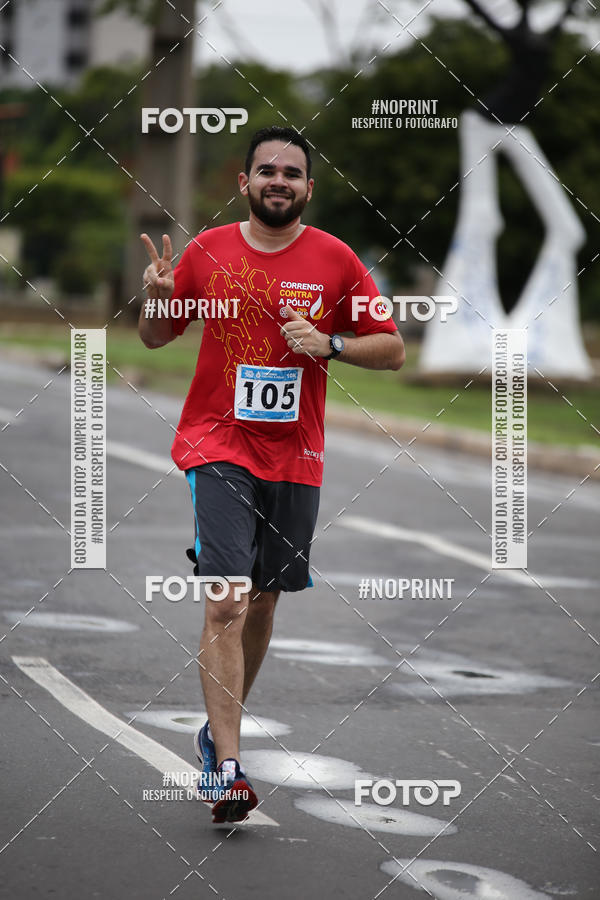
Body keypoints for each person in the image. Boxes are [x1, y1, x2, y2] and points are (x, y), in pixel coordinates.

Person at [138, 125, 405, 823]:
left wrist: (332, 342)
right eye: (267, 170)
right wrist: (160, 296)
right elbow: (156, 335)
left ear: (308, 188)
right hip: (217, 443)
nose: (278, 180)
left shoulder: (335, 260)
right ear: (245, 182)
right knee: (226, 597)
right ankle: (226, 766)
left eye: (292, 172)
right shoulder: (209, 250)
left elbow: (393, 348)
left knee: (262, 602)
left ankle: (215, 728)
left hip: (296, 455)